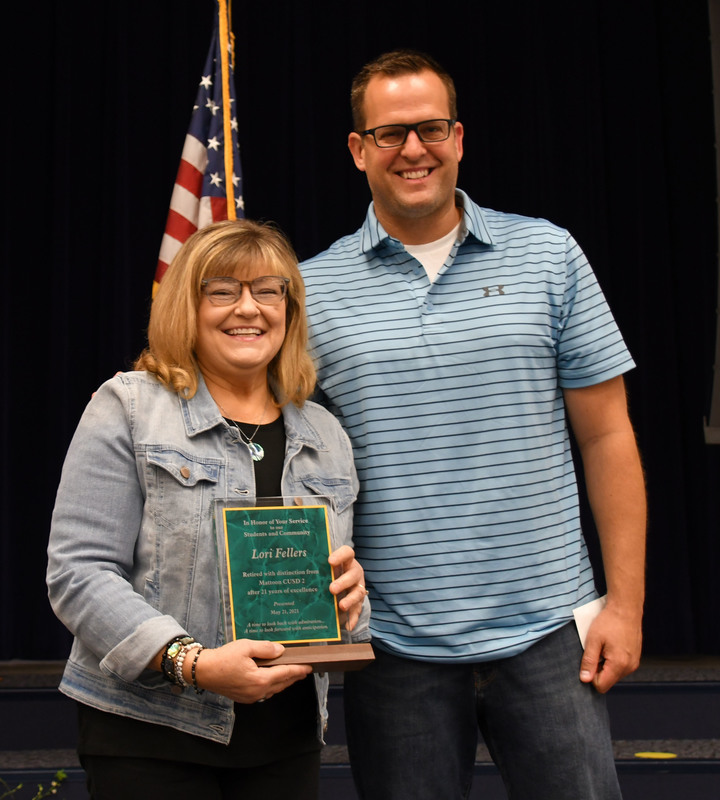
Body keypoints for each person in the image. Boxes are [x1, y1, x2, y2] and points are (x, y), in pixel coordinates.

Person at [300, 49, 646, 800]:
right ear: (359, 150)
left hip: (552, 631)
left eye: (429, 128)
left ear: (459, 137)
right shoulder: (308, 289)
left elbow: (608, 436)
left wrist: (625, 605)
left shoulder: (549, 254)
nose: (413, 150)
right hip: (392, 645)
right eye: (390, 134)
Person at [46, 219, 370, 800]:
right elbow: (78, 572)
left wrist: (348, 600)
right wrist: (188, 661)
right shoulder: (128, 406)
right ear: (186, 307)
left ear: (289, 311)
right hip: (151, 733)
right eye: (223, 291)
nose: (249, 309)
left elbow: (336, 602)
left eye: (268, 291)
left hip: (288, 737)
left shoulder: (326, 433)